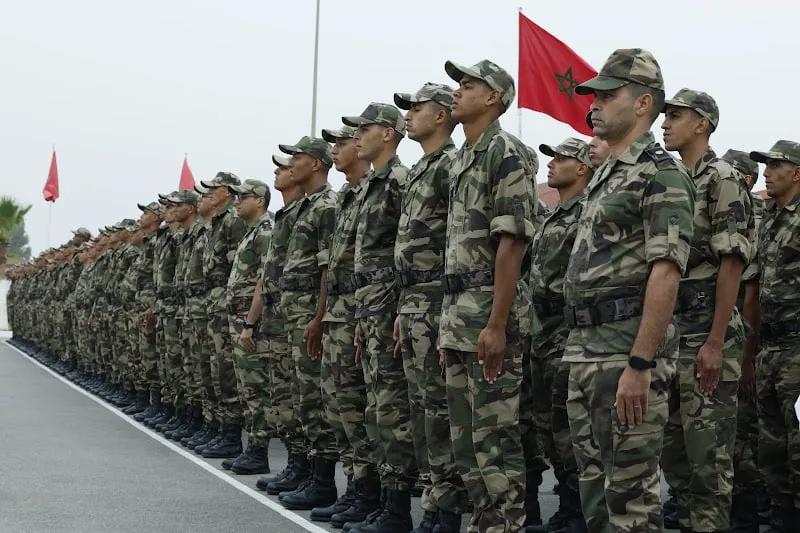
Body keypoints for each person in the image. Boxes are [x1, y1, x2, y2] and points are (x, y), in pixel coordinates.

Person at [565, 48, 695, 532]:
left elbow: (667, 272)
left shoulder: (661, 174)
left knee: (630, 498)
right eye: (593, 96)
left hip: (624, 353)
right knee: (595, 494)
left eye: (607, 95)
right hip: (586, 350)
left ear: (642, 104)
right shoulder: (608, 172)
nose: (594, 104)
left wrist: (640, 364)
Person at [440, 58, 538, 533]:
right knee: (465, 441)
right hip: (459, 315)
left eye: (467, 84)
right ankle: (484, 522)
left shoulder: (506, 152)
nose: (455, 92)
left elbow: (512, 243)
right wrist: (447, 322)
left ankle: (505, 525)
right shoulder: (463, 157)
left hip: (489, 315)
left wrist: (497, 324)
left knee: (493, 439)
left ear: (493, 97)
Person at [660, 88, 753, 533]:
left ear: (702, 124)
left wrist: (716, 342)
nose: (665, 124)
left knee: (708, 460)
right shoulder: (672, 179)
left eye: (675, 116)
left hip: (705, 333)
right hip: (672, 334)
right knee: (674, 454)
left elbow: (732, 263)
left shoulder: (723, 179)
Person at [393, 82, 468, 533]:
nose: (408, 114)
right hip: (413, 304)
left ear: (440, 115)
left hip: (437, 302)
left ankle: (448, 509)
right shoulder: (423, 168)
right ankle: (434, 501)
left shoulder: (449, 167)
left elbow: (457, 243)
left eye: (416, 107)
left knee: (440, 411)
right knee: (421, 408)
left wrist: (444, 312)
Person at [340, 102, 413, 533]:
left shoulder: (400, 181)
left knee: (391, 409)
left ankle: (397, 506)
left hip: (389, 308)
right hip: (368, 308)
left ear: (387, 133)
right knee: (374, 407)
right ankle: (377, 497)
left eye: (364, 129)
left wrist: (399, 309)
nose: (356, 137)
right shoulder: (372, 186)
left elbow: (410, 251)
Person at [311, 125, 377, 526]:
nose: (335, 149)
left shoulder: (375, 189)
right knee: (338, 406)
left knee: (358, 406)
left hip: (360, 310)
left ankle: (370, 493)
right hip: (340, 311)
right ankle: (355, 487)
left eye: (342, 142)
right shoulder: (347, 197)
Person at [529, 138, 594, 533]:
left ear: (583, 167)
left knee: (569, 427)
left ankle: (579, 509)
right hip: (542, 331)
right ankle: (569, 506)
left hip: (568, 333)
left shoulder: (587, 213)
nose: (551, 164)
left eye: (561, 158)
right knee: (546, 427)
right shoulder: (552, 215)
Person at [276, 136, 339, 511]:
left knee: (315, 399)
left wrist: (318, 317)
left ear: (316, 163)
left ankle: (322, 481)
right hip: (294, 312)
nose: (290, 164)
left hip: (310, 313)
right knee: (300, 397)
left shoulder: (326, 207)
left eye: (297, 157)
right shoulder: (304, 208)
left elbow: (327, 269)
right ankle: (303, 471)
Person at [748, 140, 800, 530]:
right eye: (765, 165)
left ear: (797, 172)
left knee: (797, 444)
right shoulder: (768, 218)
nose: (766, 172)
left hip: (798, 346)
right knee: (771, 444)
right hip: (770, 346)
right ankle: (782, 514)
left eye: (775, 165)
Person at [253, 155, 308, 493]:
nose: (277, 171)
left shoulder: (317, 208)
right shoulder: (285, 217)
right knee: (284, 396)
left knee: (305, 398)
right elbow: (267, 275)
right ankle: (297, 467)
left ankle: (313, 475)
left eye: (286, 165)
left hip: (303, 315)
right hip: (281, 314)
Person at [721, 149, 765, 533]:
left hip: (747, 338)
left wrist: (749, 357)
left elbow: (753, 295)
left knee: (745, 430)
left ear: (748, 180)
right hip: (723, 333)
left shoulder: (756, 219)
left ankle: (748, 508)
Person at [223, 179, 273, 474]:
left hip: (251, 322)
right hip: (239, 319)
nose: (238, 201)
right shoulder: (251, 232)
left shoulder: (265, 231)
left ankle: (258, 450)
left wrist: (250, 323)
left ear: (260, 201)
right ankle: (252, 447)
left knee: (256, 387)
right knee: (245, 387)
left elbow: (263, 281)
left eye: (244, 196)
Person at [198, 172, 249, 459]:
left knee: (227, 371)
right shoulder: (217, 223)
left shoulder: (232, 220)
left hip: (227, 305)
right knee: (214, 369)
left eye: (214, 189)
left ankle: (231, 435)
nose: (208, 193)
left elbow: (240, 267)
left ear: (228, 192)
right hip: (213, 304)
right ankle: (217, 428)